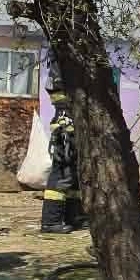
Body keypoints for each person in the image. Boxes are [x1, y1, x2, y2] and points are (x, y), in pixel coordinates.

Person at [40, 85, 85, 233]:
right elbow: (57, 91)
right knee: (61, 177)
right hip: (65, 129)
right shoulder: (62, 68)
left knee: (73, 180)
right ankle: (50, 222)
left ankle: (73, 217)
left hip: (71, 123)